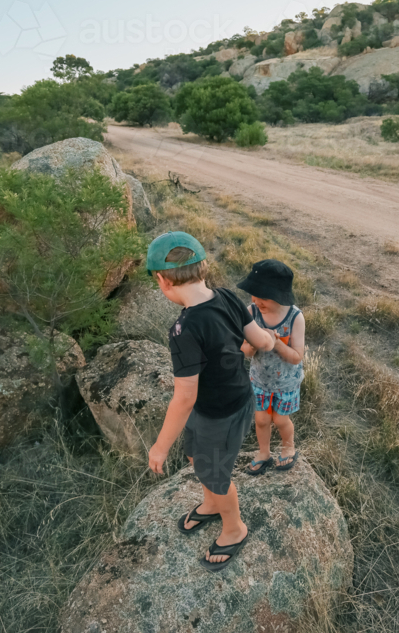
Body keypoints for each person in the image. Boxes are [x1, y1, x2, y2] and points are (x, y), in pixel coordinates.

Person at [145, 231, 277, 572]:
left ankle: (234, 529)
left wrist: (159, 447)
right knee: (196, 456)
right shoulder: (228, 297)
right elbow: (259, 339)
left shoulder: (184, 330)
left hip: (220, 413)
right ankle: (211, 504)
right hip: (227, 403)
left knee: (216, 473)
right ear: (202, 268)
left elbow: (184, 397)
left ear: (162, 280)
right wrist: (270, 339)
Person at [238, 259, 306, 475]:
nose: (256, 300)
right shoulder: (252, 312)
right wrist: (256, 344)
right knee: (261, 419)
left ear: (280, 296)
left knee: (280, 420)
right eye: (253, 294)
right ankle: (264, 452)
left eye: (263, 296)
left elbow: (297, 357)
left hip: (286, 383)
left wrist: (275, 343)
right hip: (259, 380)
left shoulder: (295, 317)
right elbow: (244, 350)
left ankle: (288, 448)